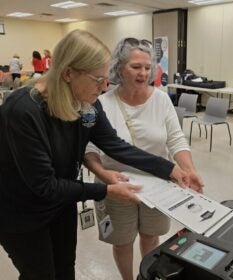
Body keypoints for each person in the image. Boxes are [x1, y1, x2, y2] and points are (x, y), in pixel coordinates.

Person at [0, 30, 190, 280]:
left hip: (61, 203)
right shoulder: (23, 111)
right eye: (98, 79)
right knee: (41, 274)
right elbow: (43, 185)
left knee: (65, 267)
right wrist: (105, 190)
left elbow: (114, 144)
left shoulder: (86, 106)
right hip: (23, 212)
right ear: (68, 73)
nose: (104, 88)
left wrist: (170, 169)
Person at [84, 37, 204, 280]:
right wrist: (105, 176)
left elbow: (176, 139)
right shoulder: (100, 103)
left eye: (148, 67)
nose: (143, 73)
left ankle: (147, 276)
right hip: (117, 185)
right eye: (136, 67)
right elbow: (89, 150)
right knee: (122, 241)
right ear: (119, 67)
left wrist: (188, 168)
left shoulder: (161, 100)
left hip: (159, 184)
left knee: (151, 236)